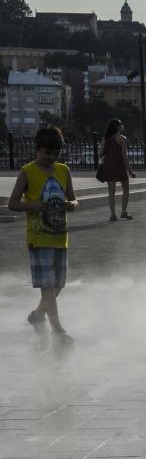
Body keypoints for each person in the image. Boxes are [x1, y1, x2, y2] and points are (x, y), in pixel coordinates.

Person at [8, 127, 79, 345]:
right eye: (47, 153)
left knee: (59, 284)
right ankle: (57, 330)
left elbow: (75, 200)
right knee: (47, 285)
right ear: (38, 149)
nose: (51, 158)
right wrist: (35, 206)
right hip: (38, 238)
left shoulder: (63, 170)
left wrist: (70, 205)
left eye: (55, 153)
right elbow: (12, 203)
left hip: (60, 237)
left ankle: (38, 315)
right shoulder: (27, 172)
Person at [98, 118, 135, 222]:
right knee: (126, 189)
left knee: (111, 192)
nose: (123, 126)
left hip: (109, 167)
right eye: (122, 125)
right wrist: (130, 171)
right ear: (118, 127)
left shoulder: (106, 139)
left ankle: (113, 214)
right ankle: (123, 211)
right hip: (120, 167)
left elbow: (101, 154)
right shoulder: (122, 138)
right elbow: (124, 156)